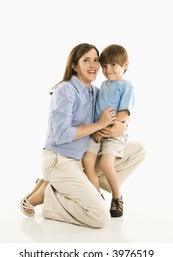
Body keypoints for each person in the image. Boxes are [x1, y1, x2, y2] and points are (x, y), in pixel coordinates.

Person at [20, 43, 145, 228]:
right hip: (61, 159)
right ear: (74, 65)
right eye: (86, 60)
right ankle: (48, 192)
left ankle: (92, 189)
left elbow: (118, 111)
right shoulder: (65, 90)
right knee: (99, 217)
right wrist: (99, 125)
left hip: (83, 158)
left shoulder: (95, 91)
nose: (94, 64)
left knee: (138, 150)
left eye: (96, 60)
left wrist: (122, 125)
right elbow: (62, 135)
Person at [83, 44, 134, 218]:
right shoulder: (103, 84)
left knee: (105, 163)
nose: (107, 69)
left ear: (125, 65)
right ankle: (96, 197)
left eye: (113, 65)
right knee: (88, 160)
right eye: (104, 66)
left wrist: (109, 129)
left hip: (113, 133)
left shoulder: (126, 86)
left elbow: (123, 113)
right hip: (97, 131)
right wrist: (98, 128)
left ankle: (117, 197)